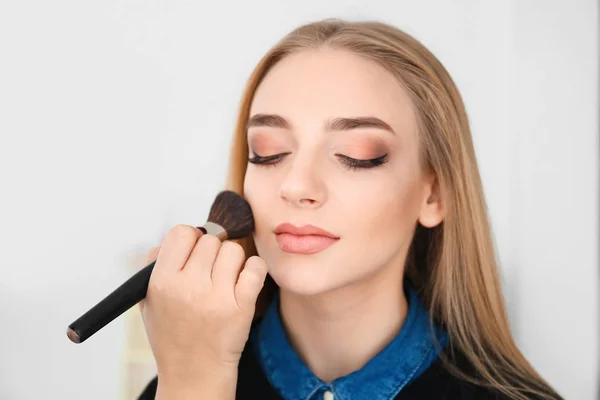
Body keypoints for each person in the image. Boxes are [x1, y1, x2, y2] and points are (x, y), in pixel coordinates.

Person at [136, 18, 563, 400]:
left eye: (357, 155)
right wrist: (193, 382)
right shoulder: (182, 383)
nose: (297, 186)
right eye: (268, 152)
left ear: (433, 195)